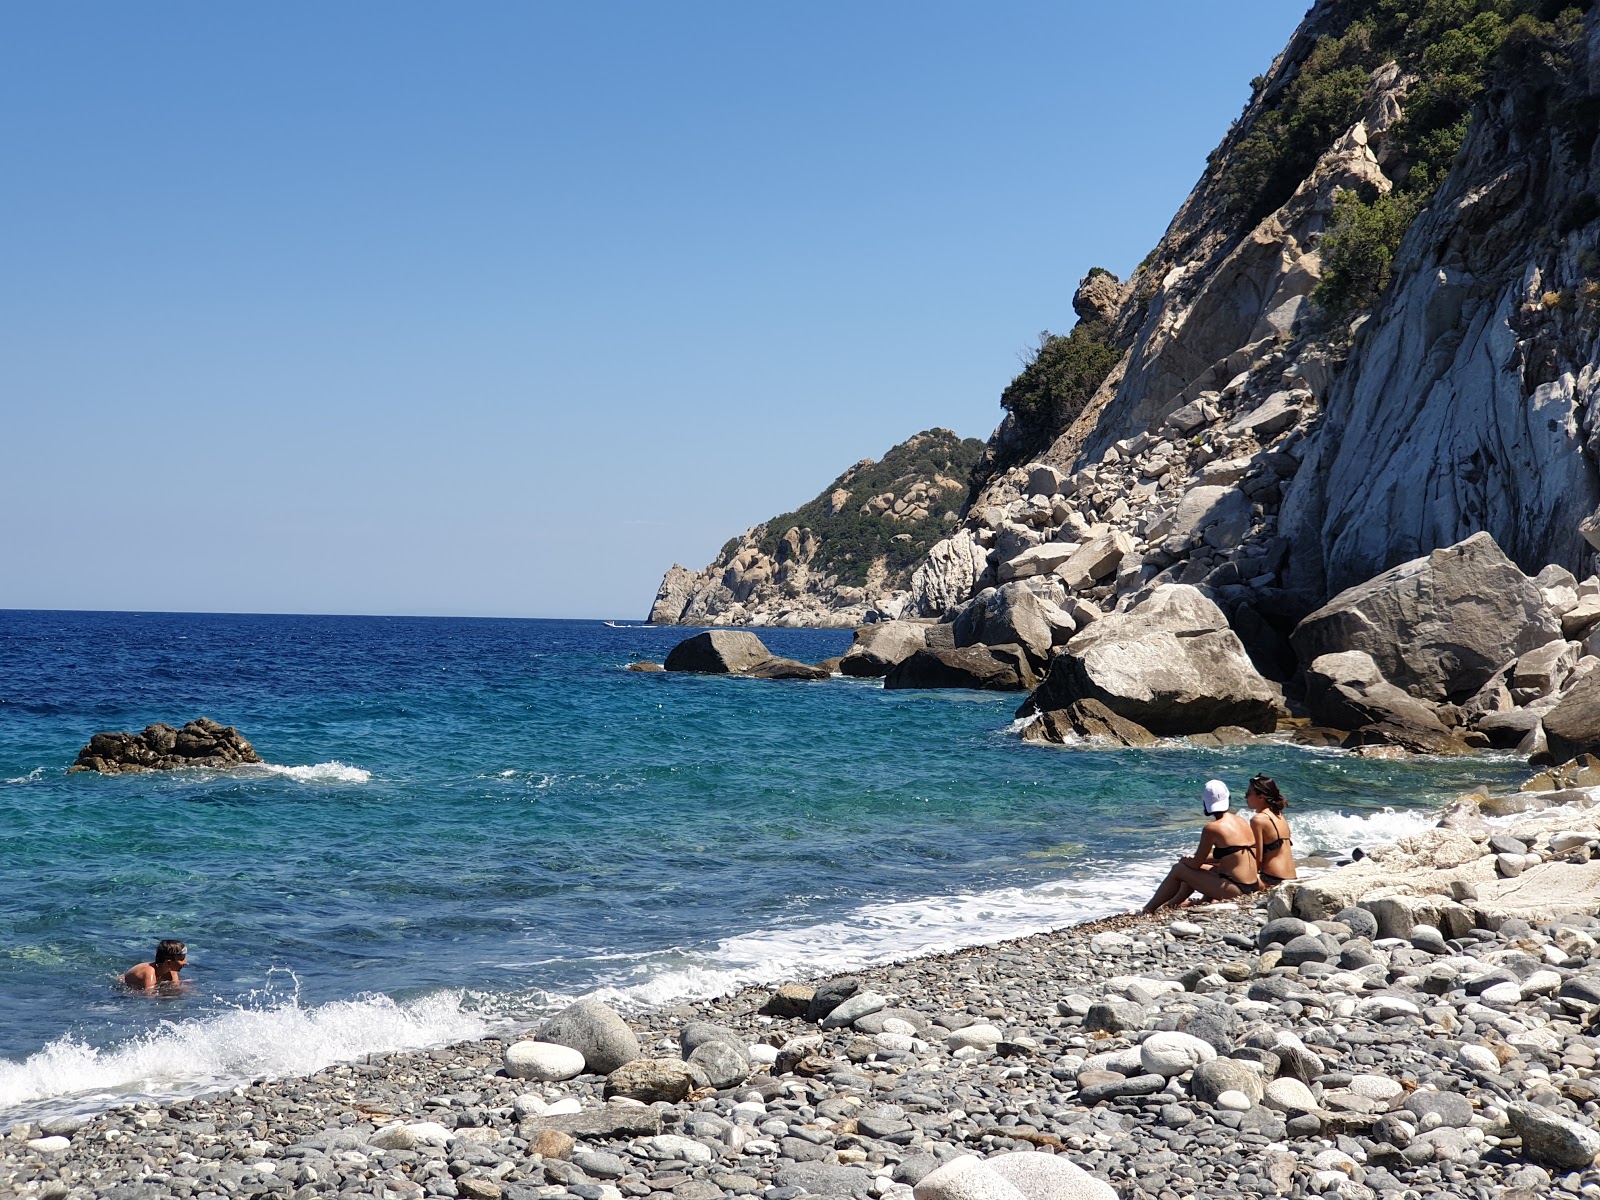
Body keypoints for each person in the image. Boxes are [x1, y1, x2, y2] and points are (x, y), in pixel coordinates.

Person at [1142, 780, 1261, 913]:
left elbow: (1195, 864)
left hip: (1236, 889)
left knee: (1179, 869)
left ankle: (1148, 909)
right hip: (1252, 885)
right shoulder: (1240, 820)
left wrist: (1186, 860)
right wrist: (1195, 860)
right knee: (1198, 869)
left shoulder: (1212, 828)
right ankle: (1172, 904)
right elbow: (1231, 855)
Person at [1246, 773, 1296, 887]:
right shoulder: (1279, 815)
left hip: (1271, 880)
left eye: (1248, 793)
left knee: (1218, 872)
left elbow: (1258, 859)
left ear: (1261, 797)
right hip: (1290, 878)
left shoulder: (1258, 820)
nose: (1246, 797)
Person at [122, 939, 189, 990]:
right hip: (122, 985)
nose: (186, 962)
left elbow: (175, 987)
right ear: (168, 962)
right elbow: (149, 995)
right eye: (182, 959)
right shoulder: (149, 972)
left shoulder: (172, 972)